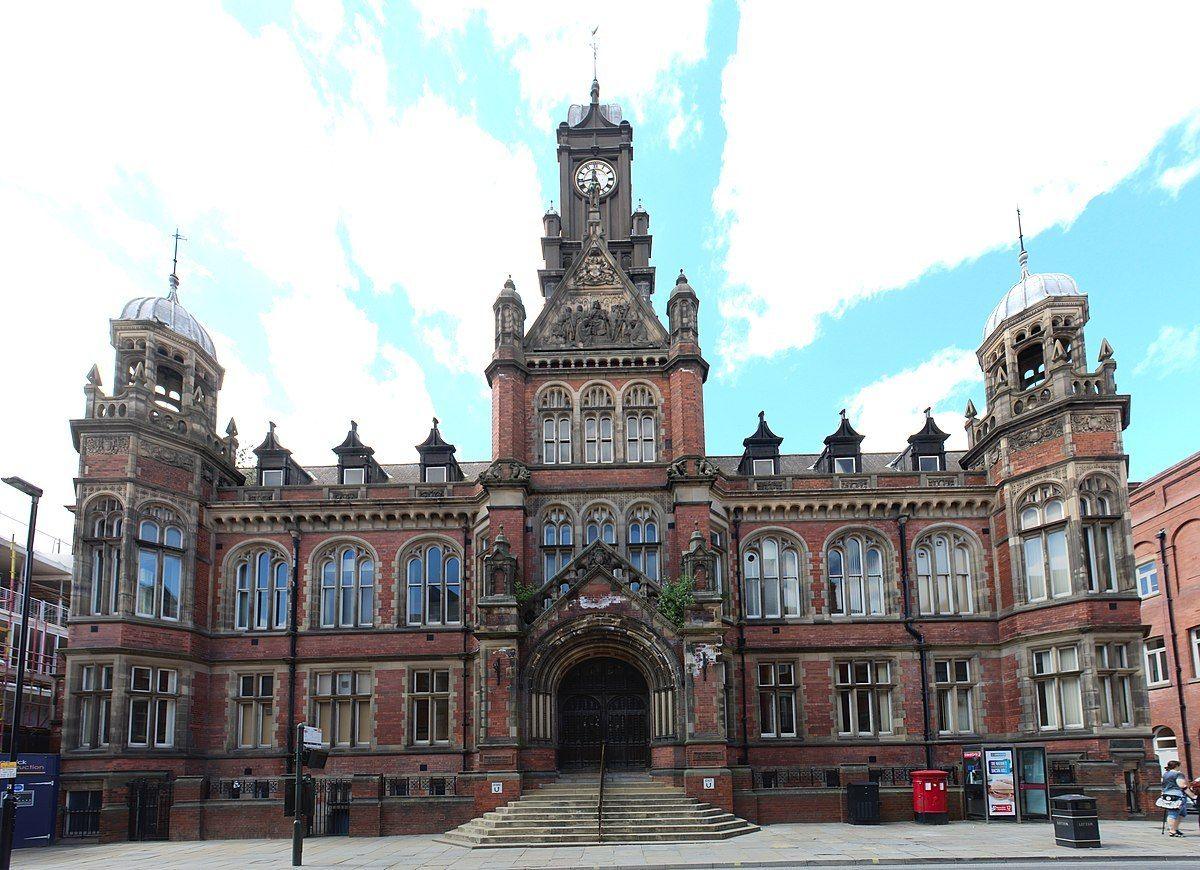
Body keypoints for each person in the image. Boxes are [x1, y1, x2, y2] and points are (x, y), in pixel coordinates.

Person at [1161, 759, 1195, 836]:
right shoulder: (1178, 774)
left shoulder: (1165, 774)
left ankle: (1175, 829)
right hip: (1177, 796)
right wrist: (1192, 796)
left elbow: (1163, 785)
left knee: (1182, 813)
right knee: (1173, 813)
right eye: (1179, 766)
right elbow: (1182, 785)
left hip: (1167, 794)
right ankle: (1172, 831)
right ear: (1177, 766)